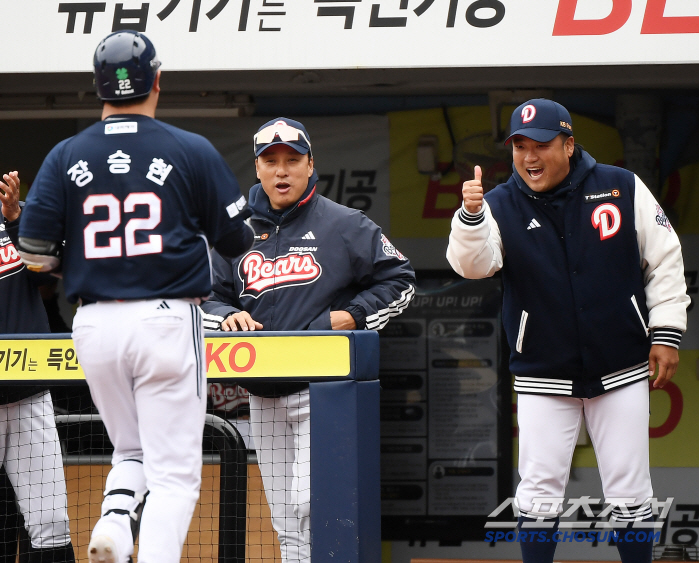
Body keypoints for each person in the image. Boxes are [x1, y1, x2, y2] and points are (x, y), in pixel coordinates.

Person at [17, 30, 254, 563]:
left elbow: (33, 252)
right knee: (174, 475)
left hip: (95, 324)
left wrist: (69, 256)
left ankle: (116, 519)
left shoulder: (65, 154)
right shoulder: (188, 148)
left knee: (130, 450)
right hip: (167, 318)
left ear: (97, 86)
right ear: (158, 79)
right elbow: (238, 240)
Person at [446, 98, 689, 563]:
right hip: (545, 371)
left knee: (631, 488)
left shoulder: (620, 186)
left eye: (540, 144)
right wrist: (471, 218)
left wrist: (665, 333)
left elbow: (664, 260)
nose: (529, 157)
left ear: (569, 144)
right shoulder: (498, 203)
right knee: (538, 490)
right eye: (519, 146)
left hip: (620, 365)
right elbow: (473, 266)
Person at [201, 117, 416, 563]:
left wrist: (353, 315)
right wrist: (228, 315)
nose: (282, 171)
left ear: (310, 164)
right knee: (285, 517)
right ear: (257, 168)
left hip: (323, 391)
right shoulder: (234, 231)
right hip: (261, 393)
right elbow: (204, 297)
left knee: (308, 504)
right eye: (271, 161)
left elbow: (401, 279)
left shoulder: (343, 223)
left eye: (292, 160)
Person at [0, 171, 75, 562]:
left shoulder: (22, 218)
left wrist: (14, 221)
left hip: (29, 390)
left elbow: (53, 271)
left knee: (50, 523)